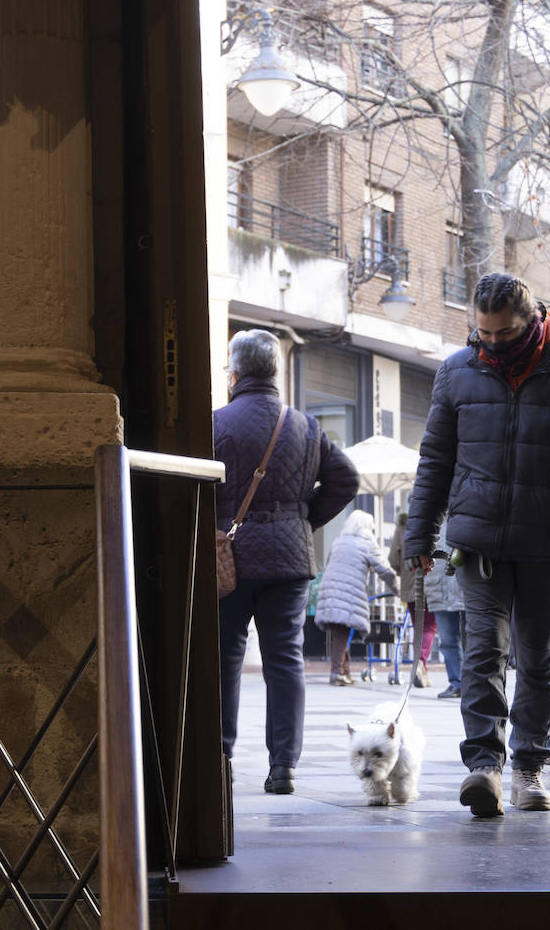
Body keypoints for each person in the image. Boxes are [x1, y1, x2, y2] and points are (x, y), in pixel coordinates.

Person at [404, 272, 550, 818]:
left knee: (536, 661)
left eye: (503, 334)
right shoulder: (457, 371)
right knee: (483, 653)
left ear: (531, 321)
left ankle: (529, 766)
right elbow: (435, 459)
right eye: (481, 333)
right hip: (478, 540)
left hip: (549, 541)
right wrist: (420, 532)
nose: (491, 343)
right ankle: (484, 766)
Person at [214, 329, 359, 796]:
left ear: (234, 375)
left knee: (224, 660)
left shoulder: (214, 424)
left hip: (228, 557)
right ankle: (283, 769)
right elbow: (346, 479)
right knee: (285, 660)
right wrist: (301, 519)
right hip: (289, 559)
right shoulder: (306, 426)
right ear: (275, 373)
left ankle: (220, 758)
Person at [313, 511, 397, 686]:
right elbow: (385, 570)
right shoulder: (366, 543)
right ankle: (337, 672)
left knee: (340, 631)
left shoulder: (338, 541)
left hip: (330, 590)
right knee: (342, 631)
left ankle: (345, 671)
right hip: (347, 592)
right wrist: (399, 589)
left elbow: (330, 564)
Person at [389, 512, 439, 687]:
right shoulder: (435, 520)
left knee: (419, 625)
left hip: (410, 581)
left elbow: (393, 559)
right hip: (433, 580)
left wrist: (402, 569)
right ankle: (421, 664)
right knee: (430, 626)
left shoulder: (402, 525)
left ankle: (419, 665)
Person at [426, 524, 466, 699]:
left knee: (475, 640)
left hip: (467, 588)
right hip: (439, 588)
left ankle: (473, 683)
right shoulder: (433, 516)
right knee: (447, 641)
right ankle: (456, 682)